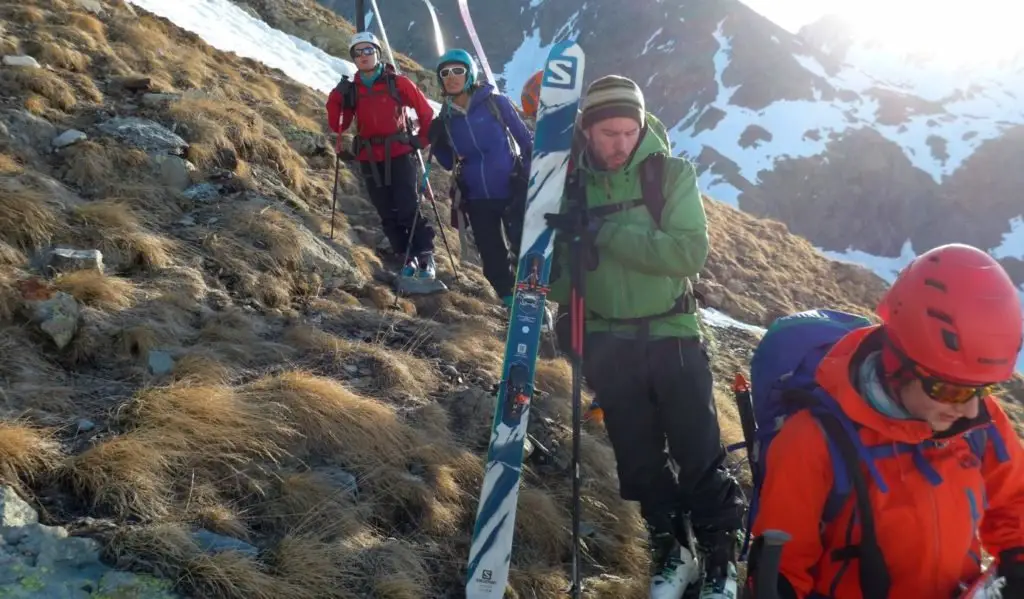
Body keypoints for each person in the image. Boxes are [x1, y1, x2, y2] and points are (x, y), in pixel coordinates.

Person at [544, 74, 745, 599]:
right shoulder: (568, 183)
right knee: (637, 458)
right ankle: (672, 546)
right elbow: (560, 284)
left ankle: (720, 557)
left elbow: (686, 254)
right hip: (607, 340)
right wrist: (561, 252)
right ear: (587, 131)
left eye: (629, 132)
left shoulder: (670, 174)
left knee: (698, 449)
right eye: (608, 133)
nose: (620, 144)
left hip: (672, 333)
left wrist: (606, 234)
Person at [745, 243, 1024, 599]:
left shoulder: (976, 419)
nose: (971, 412)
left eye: (982, 390)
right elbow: (782, 571)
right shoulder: (812, 441)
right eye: (950, 389)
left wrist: (1018, 560)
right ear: (897, 363)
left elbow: (1015, 500)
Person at [326, 32, 439, 281]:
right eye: (358, 52)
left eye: (369, 50)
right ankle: (405, 257)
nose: (364, 56)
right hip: (369, 158)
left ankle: (425, 255)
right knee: (386, 210)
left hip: (399, 154)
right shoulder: (351, 90)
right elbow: (338, 125)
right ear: (353, 58)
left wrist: (421, 140)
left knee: (408, 206)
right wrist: (336, 97)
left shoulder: (398, 83)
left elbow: (425, 112)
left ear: (378, 53)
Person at [428, 49, 533, 309]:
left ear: (470, 73)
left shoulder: (496, 104)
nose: (451, 77)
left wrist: (529, 175)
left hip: (511, 189)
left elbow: (526, 142)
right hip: (476, 197)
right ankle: (510, 302)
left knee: (524, 250)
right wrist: (438, 141)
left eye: (458, 71)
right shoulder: (446, 119)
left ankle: (533, 302)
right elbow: (447, 161)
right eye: (445, 73)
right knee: (492, 256)